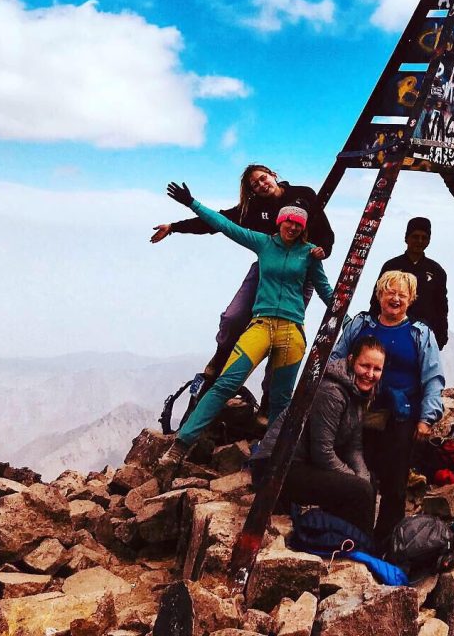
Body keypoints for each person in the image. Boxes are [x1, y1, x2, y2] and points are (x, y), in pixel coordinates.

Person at [159, 183, 332, 461]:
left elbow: (326, 291)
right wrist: (192, 203)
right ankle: (181, 444)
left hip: (291, 332)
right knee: (226, 383)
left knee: (280, 401)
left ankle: (271, 459)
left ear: (304, 227)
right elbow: (226, 226)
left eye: (299, 223)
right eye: (289, 221)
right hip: (261, 326)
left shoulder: (310, 254)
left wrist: (348, 320)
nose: (293, 227)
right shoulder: (263, 243)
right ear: (280, 221)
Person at [150, 163, 335, 382]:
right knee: (233, 317)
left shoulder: (303, 194)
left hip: (301, 274)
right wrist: (174, 227)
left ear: (273, 175)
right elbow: (219, 222)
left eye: (263, 178)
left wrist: (324, 249)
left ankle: (269, 399)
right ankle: (220, 358)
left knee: (285, 337)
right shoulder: (254, 208)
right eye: (255, 185)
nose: (261, 185)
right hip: (266, 269)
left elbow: (325, 230)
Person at [332, 271, 445, 540]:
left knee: (394, 482)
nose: (395, 299)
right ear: (379, 294)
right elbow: (336, 360)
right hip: (357, 410)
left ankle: (385, 541)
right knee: (357, 475)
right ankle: (351, 533)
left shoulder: (420, 334)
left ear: (411, 300)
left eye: (402, 295)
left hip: (401, 416)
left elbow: (433, 377)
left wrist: (426, 418)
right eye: (389, 292)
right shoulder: (360, 325)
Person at [251, 336, 385, 533]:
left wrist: (361, 477)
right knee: (360, 490)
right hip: (276, 465)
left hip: (300, 463)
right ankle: (359, 548)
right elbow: (321, 452)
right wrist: (355, 481)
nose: (370, 374)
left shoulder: (358, 392)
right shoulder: (332, 391)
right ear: (350, 360)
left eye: (377, 369)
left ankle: (344, 539)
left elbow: (353, 447)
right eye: (365, 366)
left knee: (367, 482)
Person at [368, 216, 449, 348]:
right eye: (415, 236)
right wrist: (372, 329)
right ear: (406, 238)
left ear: (429, 241)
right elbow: (376, 299)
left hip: (422, 339)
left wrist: (440, 338)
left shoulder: (437, 271)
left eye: (424, 237)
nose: (419, 241)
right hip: (389, 333)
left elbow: (441, 308)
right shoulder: (391, 266)